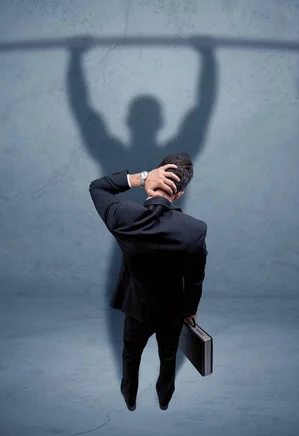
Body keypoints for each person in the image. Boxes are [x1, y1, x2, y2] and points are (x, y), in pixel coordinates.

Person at [89, 152, 208, 411]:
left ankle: (129, 397)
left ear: (157, 175)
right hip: (173, 311)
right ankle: (164, 398)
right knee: (168, 356)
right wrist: (190, 309)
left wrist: (141, 178)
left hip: (137, 307)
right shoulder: (195, 229)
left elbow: (97, 187)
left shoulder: (124, 216)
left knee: (131, 354)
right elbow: (195, 279)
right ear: (179, 194)